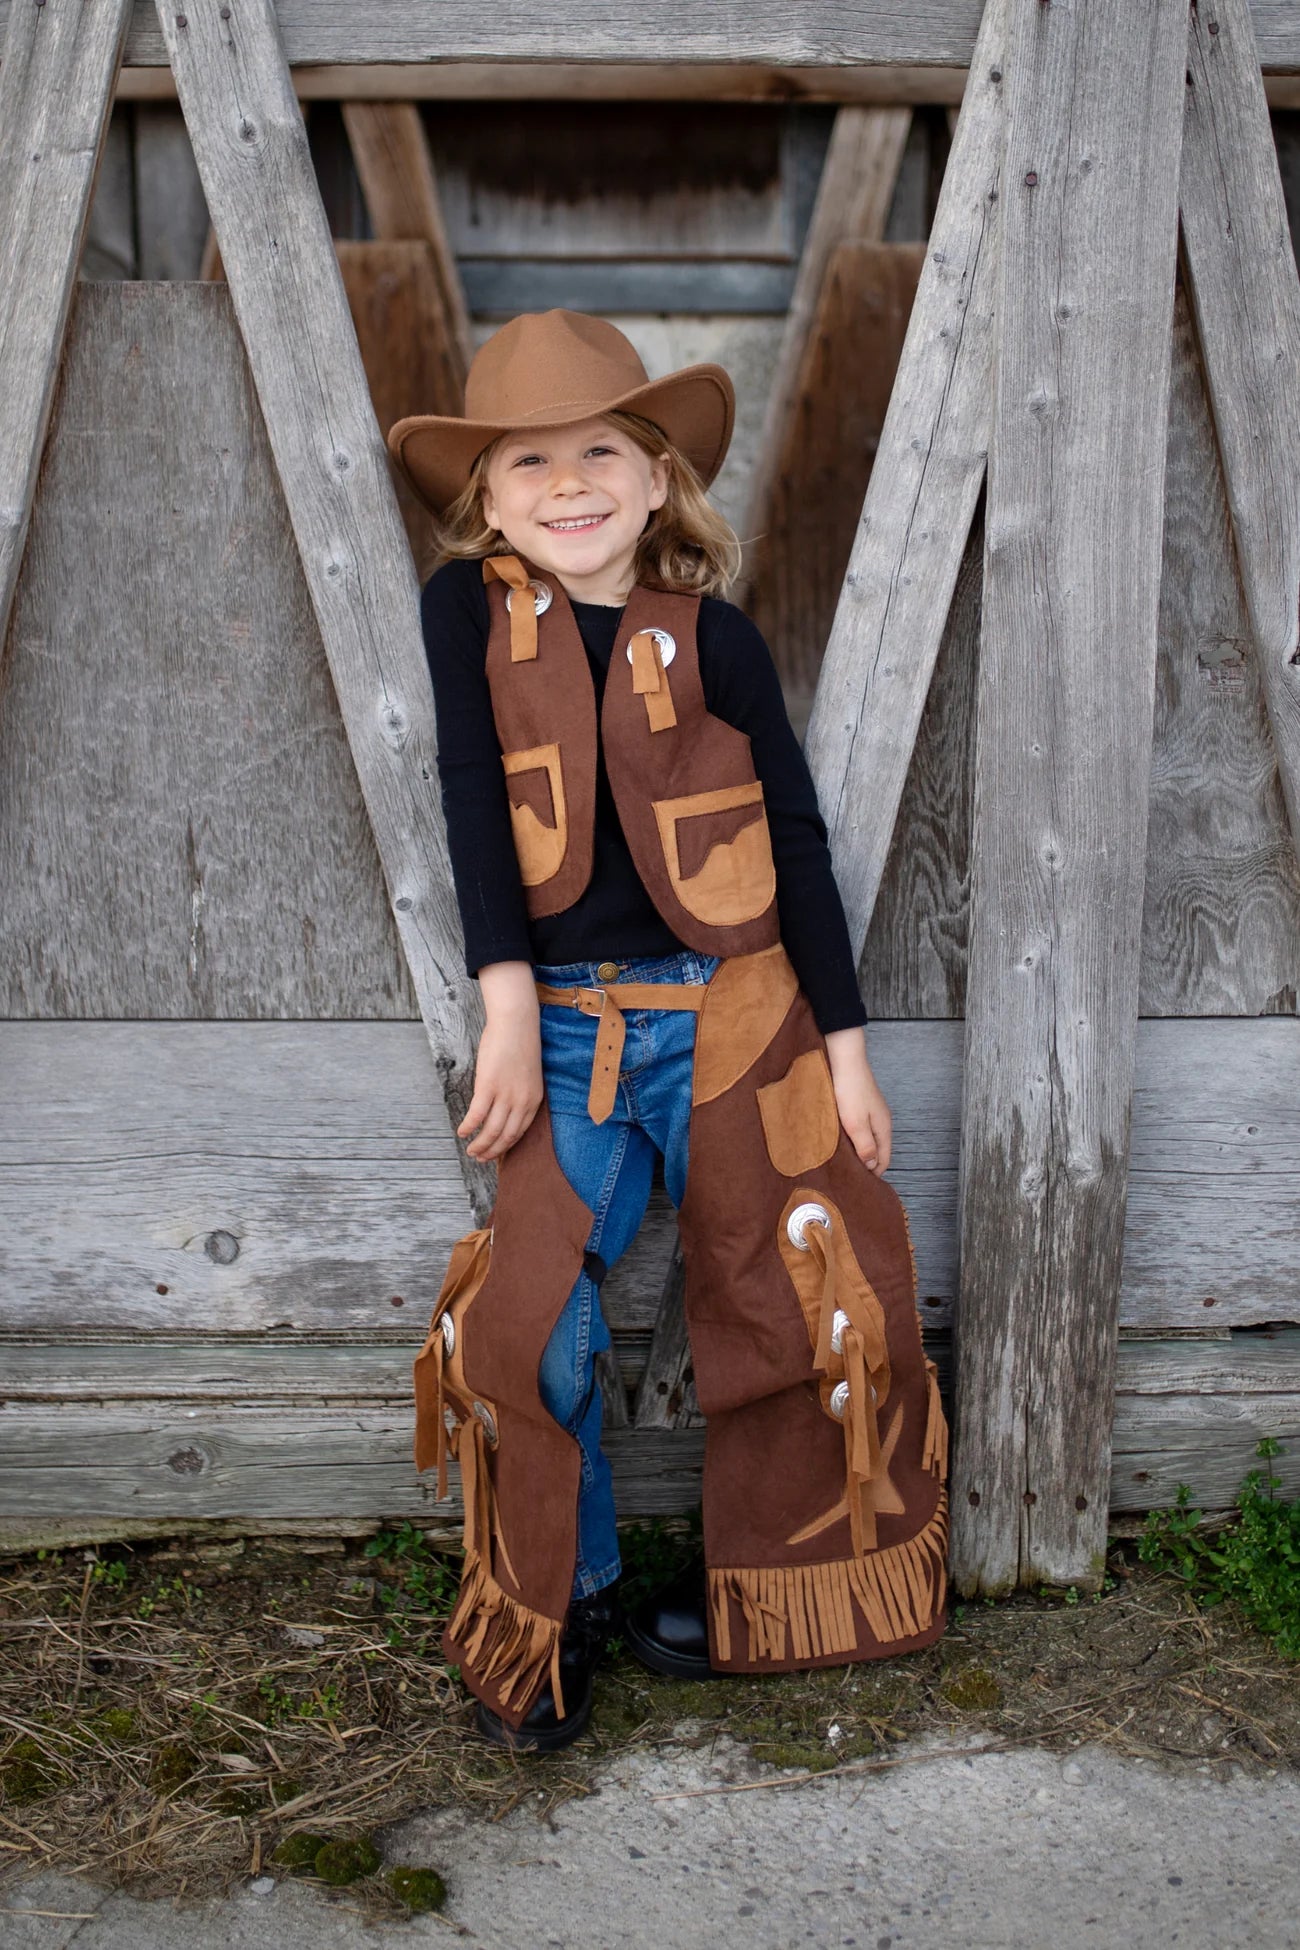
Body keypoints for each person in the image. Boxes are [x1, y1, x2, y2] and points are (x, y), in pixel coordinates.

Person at [387, 309, 949, 1755]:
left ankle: (784, 1588)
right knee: (532, 1320)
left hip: (734, 1015)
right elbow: (469, 797)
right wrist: (507, 1005)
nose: (565, 486)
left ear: (654, 481)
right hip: (569, 1035)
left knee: (790, 1288)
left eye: (599, 453)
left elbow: (800, 843)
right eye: (528, 463)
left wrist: (846, 1044)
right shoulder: (470, 618)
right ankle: (556, 1598)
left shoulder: (720, 641)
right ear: (488, 496)